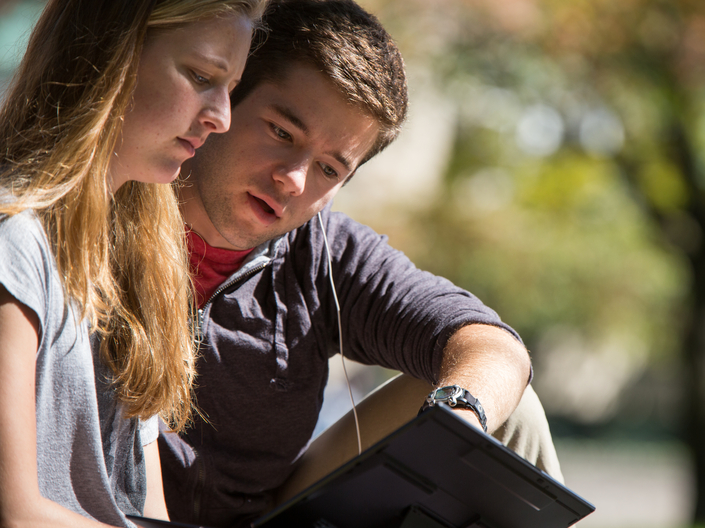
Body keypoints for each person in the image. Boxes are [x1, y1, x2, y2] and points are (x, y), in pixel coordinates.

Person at [158, 1, 561, 527]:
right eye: (282, 132)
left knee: (507, 410)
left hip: (262, 521)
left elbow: (490, 344)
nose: (294, 179)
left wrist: (454, 418)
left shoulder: (327, 252)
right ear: (226, 97)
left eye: (328, 168)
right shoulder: (104, 204)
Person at [0, 0, 265, 527]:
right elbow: (17, 513)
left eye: (230, 89)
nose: (221, 117)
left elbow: (145, 511)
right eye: (201, 76)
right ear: (110, 52)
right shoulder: (14, 240)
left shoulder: (137, 263)